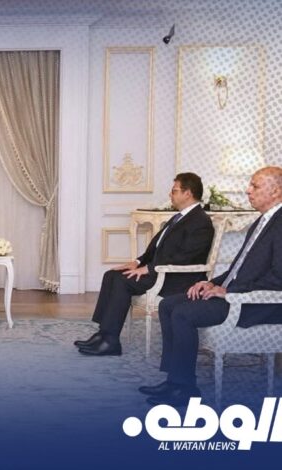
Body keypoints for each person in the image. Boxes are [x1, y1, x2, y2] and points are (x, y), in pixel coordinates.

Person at [140, 166, 282, 406]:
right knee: (168, 305)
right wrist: (211, 282)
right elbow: (238, 269)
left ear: (276, 191)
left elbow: (278, 278)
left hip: (256, 303)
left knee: (183, 313)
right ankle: (174, 380)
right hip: (237, 293)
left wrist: (229, 291)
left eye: (255, 186)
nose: (248, 190)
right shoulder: (262, 220)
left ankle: (185, 388)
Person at [75, 173, 214, 356]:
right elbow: (156, 247)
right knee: (111, 275)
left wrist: (148, 268)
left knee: (122, 281)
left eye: (174, 191)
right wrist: (137, 262)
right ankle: (103, 334)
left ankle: (111, 341)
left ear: (187, 193)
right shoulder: (179, 217)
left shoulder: (201, 222)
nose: (170, 194)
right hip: (159, 270)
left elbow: (184, 257)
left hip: (175, 278)